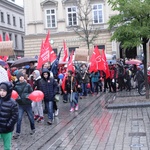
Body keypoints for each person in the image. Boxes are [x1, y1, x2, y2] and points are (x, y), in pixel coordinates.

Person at [13, 72, 35, 139]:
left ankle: (33, 128)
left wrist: (28, 96)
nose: (21, 78)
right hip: (20, 104)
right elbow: (14, 94)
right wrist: (17, 98)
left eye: (22, 76)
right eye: (20, 77)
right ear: (18, 78)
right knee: (19, 119)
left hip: (28, 104)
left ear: (24, 77)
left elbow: (31, 93)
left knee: (31, 117)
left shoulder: (28, 85)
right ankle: (17, 132)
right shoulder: (16, 86)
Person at [0, 82, 18, 150]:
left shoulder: (12, 103)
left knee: (7, 147)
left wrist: (9, 125)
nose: (2, 93)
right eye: (0, 90)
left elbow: (15, 115)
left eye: (4, 91)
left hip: (7, 129)